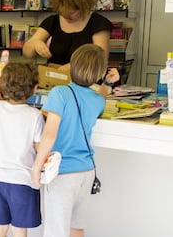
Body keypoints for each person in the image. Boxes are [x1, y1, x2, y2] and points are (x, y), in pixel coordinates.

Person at [31, 44, 120, 237]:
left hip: (62, 174)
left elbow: (49, 134)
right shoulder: (97, 100)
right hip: (86, 172)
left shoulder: (59, 93)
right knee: (76, 228)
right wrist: (107, 84)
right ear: (98, 74)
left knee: (56, 231)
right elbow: (99, 98)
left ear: (71, 66)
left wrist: (36, 167)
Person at [22, 0, 118, 94]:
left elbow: (100, 60)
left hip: (86, 87)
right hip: (55, 84)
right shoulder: (52, 21)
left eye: (71, 14)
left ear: (83, 7)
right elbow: (27, 53)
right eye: (63, 13)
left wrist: (74, 66)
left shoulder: (98, 23)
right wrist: (36, 43)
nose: (67, 17)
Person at [0, 62, 44, 237]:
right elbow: (40, 147)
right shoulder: (35, 116)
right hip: (23, 179)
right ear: (34, 88)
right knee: (19, 229)